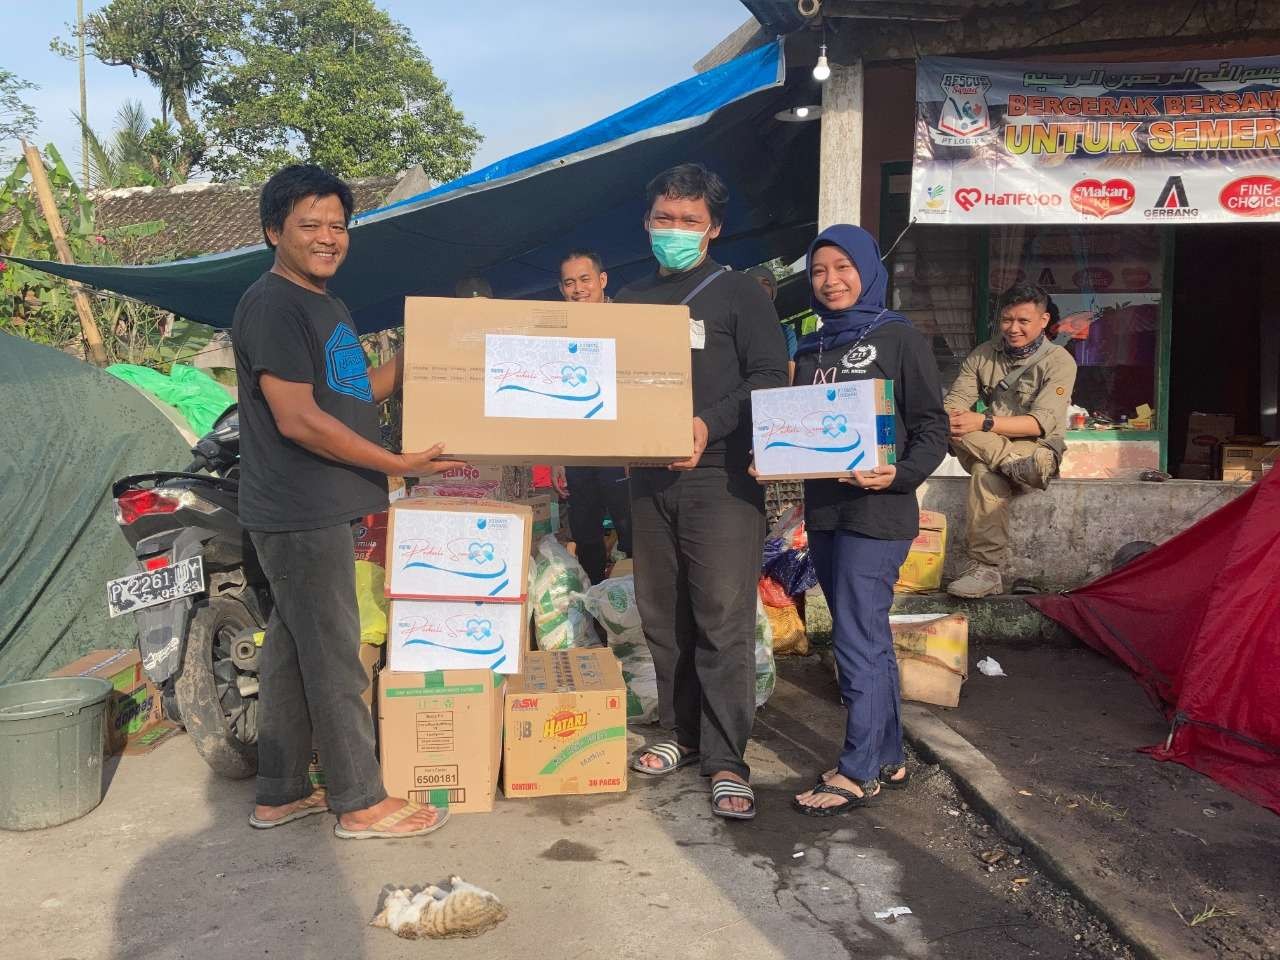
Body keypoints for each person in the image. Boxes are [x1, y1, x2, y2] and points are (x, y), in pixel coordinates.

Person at [232, 164, 461, 839]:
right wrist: (397, 464)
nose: (328, 236)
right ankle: (360, 801)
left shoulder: (324, 304)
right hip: (298, 507)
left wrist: (435, 347)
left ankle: (279, 791)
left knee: (292, 648)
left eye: (338, 224)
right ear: (275, 231)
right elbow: (298, 418)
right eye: (311, 224)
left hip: (316, 505)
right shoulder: (274, 304)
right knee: (333, 652)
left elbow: (357, 393)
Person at [619, 163, 789, 820]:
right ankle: (678, 734)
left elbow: (770, 375)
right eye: (665, 218)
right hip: (647, 481)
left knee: (721, 622)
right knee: (663, 618)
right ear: (648, 222)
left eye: (689, 221)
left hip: (721, 480)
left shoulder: (739, 293)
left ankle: (726, 758)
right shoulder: (629, 301)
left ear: (712, 229)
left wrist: (706, 423)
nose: (675, 230)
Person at [785, 225, 948, 816]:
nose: (830, 282)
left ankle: (856, 772)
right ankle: (888, 754)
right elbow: (801, 426)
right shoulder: (810, 348)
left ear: (868, 269)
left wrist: (899, 474)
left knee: (855, 639)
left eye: (842, 267)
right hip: (825, 510)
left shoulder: (900, 338)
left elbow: (933, 427)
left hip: (878, 513)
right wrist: (771, 450)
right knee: (868, 638)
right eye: (819, 272)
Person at [943, 284, 1078, 598]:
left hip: (1036, 446)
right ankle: (1013, 464)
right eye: (1006, 320)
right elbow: (954, 405)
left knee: (983, 473)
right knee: (948, 424)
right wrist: (964, 420)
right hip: (1004, 452)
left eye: (1023, 321)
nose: (1013, 329)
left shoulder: (1059, 361)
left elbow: (1039, 423)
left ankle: (986, 570)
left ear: (1044, 320)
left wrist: (984, 421)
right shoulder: (983, 355)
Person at [556, 250, 631, 584]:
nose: (578, 289)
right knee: (585, 533)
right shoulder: (558, 331)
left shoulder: (629, 323)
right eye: (570, 283)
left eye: (585, 279)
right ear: (562, 289)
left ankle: (639, 612)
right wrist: (556, 456)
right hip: (577, 448)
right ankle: (594, 608)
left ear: (602, 281)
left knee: (631, 530)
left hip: (621, 448)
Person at [744, 264, 797, 381]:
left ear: (773, 293)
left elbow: (791, 373)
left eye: (766, 283)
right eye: (753, 282)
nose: (760, 287)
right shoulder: (733, 328)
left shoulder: (786, 333)